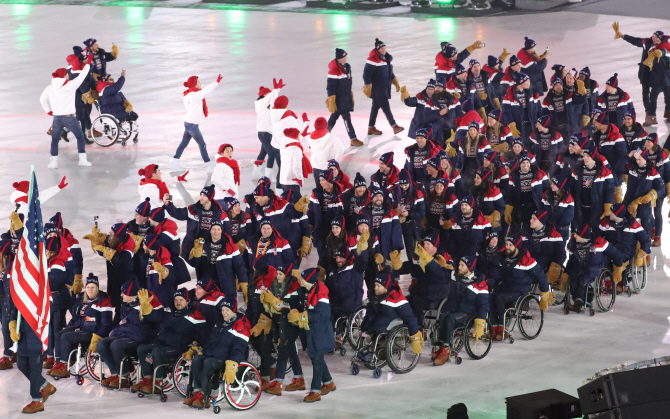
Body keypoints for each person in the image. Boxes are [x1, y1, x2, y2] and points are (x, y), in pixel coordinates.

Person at [182, 295, 250, 409]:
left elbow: (239, 348)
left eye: (227, 310)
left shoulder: (241, 326)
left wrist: (232, 363)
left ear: (233, 310)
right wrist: (201, 349)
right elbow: (211, 341)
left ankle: (205, 395)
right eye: (223, 310)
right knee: (197, 359)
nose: (224, 313)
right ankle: (198, 392)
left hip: (226, 358)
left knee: (208, 362)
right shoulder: (219, 322)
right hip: (213, 354)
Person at [134, 288, 205, 395]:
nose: (178, 302)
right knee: (142, 349)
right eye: (176, 300)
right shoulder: (169, 311)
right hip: (163, 343)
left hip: (180, 347)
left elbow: (203, 333)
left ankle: (158, 382)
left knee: (157, 352)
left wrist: (198, 346)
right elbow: (155, 317)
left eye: (181, 300)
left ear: (187, 300)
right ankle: (148, 379)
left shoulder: (194, 315)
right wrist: (145, 307)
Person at [97, 283, 164, 389]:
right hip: (125, 335)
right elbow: (124, 322)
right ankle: (115, 373)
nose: (121, 295)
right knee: (101, 344)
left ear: (132, 295)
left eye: (124, 293)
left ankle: (124, 376)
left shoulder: (145, 303)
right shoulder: (126, 304)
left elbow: (157, 319)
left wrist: (147, 311)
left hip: (141, 337)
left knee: (116, 345)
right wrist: (114, 333)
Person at [47, 273, 113, 378]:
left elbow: (107, 324)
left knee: (65, 336)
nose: (90, 290)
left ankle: (64, 366)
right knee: (60, 333)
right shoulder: (81, 299)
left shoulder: (103, 302)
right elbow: (75, 317)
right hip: (80, 328)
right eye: (88, 287)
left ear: (97, 288)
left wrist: (98, 336)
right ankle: (59, 362)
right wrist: (69, 327)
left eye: (93, 287)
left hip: (92, 332)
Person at [489, 233, 550, 341]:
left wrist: (545, 294)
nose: (507, 247)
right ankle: (494, 327)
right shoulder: (502, 258)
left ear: (517, 246)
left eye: (510, 245)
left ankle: (503, 328)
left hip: (520, 290)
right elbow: (495, 274)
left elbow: (541, 276)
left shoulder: (527, 261)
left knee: (499, 297)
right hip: (505, 287)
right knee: (489, 296)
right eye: (506, 244)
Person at [288, 268, 336, 402]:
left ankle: (315, 391)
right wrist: (294, 309)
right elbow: (294, 300)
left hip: (319, 332)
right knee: (316, 357)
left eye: (302, 278)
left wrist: (302, 316)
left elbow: (323, 315)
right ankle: (329, 382)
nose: (300, 280)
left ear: (308, 280)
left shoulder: (322, 294)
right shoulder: (304, 289)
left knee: (317, 359)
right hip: (310, 331)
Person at [40, 53, 94, 169]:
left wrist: (49, 111)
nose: (68, 75)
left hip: (56, 119)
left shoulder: (50, 87)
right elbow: (83, 75)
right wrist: (88, 62)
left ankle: (53, 162)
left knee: (55, 140)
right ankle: (82, 160)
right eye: (67, 74)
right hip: (69, 118)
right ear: (63, 76)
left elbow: (42, 99)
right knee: (80, 137)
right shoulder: (70, 85)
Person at [433, 256, 488, 366]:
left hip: (469, 313)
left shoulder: (479, 283)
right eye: (459, 264)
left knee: (450, 319)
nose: (459, 267)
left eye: (462, 265)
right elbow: (437, 271)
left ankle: (446, 350)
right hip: (455, 309)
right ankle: (443, 346)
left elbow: (484, 304)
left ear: (470, 267)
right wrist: (429, 260)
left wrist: (480, 322)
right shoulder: (456, 276)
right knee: (443, 316)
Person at [262, 262, 305, 395]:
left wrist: (274, 301)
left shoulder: (294, 287)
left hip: (292, 324)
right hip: (281, 322)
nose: (278, 276)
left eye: (280, 274)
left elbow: (292, 307)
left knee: (283, 352)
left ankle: (278, 382)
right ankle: (299, 379)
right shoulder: (276, 286)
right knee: (291, 351)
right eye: (277, 274)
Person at [614, 24, 670, 125]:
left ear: (660, 39)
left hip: (661, 75)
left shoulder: (666, 47)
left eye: (655, 37)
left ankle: (667, 112)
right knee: (646, 94)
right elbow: (636, 41)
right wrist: (623, 36)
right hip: (646, 73)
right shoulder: (647, 42)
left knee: (666, 94)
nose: (653, 39)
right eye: (653, 37)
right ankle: (650, 116)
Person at [359, 272, 422, 361]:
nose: (375, 288)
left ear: (386, 288)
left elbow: (410, 318)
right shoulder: (373, 297)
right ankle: (371, 351)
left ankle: (387, 348)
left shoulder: (397, 299)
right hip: (376, 324)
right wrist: (364, 325)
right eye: (375, 285)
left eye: (378, 286)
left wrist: (415, 337)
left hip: (388, 325)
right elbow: (369, 313)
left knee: (377, 332)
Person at [83, 222, 136, 321]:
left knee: (121, 309)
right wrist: (96, 242)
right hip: (114, 279)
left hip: (125, 284)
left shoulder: (129, 247)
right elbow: (101, 249)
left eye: (112, 233)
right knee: (115, 304)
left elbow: (120, 260)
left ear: (118, 236)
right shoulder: (114, 239)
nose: (109, 234)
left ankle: (118, 326)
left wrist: (108, 251)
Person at [171, 74, 222, 173]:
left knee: (184, 143)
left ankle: (175, 162)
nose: (200, 83)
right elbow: (206, 91)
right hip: (192, 126)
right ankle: (208, 165)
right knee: (202, 144)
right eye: (198, 82)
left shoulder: (190, 94)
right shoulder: (195, 95)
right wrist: (216, 82)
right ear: (194, 84)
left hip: (189, 123)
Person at [164, 185, 229, 261]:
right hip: (192, 245)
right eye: (201, 195)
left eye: (204, 195)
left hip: (210, 248)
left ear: (210, 197)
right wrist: (168, 204)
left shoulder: (220, 214)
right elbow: (178, 213)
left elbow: (227, 233)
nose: (201, 197)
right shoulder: (192, 210)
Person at [405, 233, 454, 326]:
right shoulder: (421, 256)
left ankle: (418, 326)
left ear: (435, 246)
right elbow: (409, 267)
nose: (425, 246)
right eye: (425, 243)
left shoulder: (442, 258)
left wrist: (427, 259)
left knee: (415, 300)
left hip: (437, 295)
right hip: (424, 292)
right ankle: (409, 327)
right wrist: (396, 264)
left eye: (428, 244)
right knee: (404, 302)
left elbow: (441, 274)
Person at [564, 224, 615, 311]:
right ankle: (577, 299)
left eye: (577, 234)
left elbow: (614, 252)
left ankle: (579, 302)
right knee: (574, 279)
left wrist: (618, 265)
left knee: (583, 280)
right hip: (579, 268)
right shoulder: (573, 245)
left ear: (583, 236)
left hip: (594, 268)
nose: (574, 235)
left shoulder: (599, 242)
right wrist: (566, 272)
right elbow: (571, 261)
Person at [599, 203, 651, 283]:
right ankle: (607, 280)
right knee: (601, 258)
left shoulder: (633, 225)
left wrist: (642, 254)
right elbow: (597, 236)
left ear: (617, 215)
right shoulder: (605, 223)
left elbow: (646, 240)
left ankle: (620, 280)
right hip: (610, 249)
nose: (609, 213)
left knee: (618, 258)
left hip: (626, 251)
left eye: (611, 212)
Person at [362, 38, 404, 136]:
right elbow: (366, 74)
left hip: (384, 87)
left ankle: (371, 127)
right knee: (386, 107)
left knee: (375, 107)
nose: (384, 50)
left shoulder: (387, 59)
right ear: (377, 49)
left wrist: (395, 81)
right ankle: (394, 126)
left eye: (384, 48)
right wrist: (367, 86)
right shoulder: (372, 60)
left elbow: (390, 72)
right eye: (381, 48)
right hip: (377, 88)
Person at [570, 143, 615, 229]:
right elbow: (571, 188)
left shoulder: (605, 172)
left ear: (594, 157)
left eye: (588, 156)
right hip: (581, 209)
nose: (585, 158)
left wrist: (608, 206)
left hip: (597, 209)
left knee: (595, 233)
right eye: (584, 155)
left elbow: (610, 190)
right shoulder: (577, 171)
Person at [623, 149, 663, 239]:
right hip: (629, 203)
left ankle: (645, 251)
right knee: (627, 232)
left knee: (646, 233)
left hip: (645, 206)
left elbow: (661, 188)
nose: (637, 162)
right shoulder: (631, 168)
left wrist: (651, 195)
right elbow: (617, 167)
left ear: (646, 159)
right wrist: (628, 156)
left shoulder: (653, 172)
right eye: (636, 159)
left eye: (640, 159)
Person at [388, 170, 426, 264]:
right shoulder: (393, 192)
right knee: (395, 251)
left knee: (411, 251)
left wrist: (408, 214)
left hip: (410, 225)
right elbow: (387, 208)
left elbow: (421, 212)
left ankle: (415, 274)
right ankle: (395, 275)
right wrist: (394, 211)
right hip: (397, 226)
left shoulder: (417, 192)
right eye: (401, 185)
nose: (404, 187)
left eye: (406, 185)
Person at [327, 48, 361, 146]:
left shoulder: (347, 67)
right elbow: (330, 86)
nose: (346, 58)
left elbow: (349, 82)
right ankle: (353, 138)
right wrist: (331, 100)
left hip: (345, 97)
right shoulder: (334, 70)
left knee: (333, 118)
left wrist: (350, 94)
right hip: (338, 99)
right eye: (345, 56)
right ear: (341, 58)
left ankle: (323, 135)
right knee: (346, 117)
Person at [308, 169, 344, 259]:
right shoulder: (315, 194)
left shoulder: (340, 195)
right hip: (320, 232)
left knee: (334, 259)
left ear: (329, 180)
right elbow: (310, 214)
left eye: (323, 180)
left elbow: (344, 215)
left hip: (335, 234)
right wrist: (309, 231)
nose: (320, 182)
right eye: (320, 180)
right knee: (322, 259)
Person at [506, 156, 548, 232]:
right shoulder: (514, 176)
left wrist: (544, 203)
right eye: (523, 163)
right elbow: (510, 193)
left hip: (535, 206)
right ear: (520, 164)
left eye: (527, 162)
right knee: (521, 228)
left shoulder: (539, 173)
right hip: (521, 206)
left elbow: (547, 189)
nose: (525, 165)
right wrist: (508, 208)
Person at [641, 134, 670, 246]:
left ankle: (658, 237)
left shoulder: (662, 155)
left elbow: (667, 172)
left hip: (658, 188)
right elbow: (633, 163)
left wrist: (668, 188)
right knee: (646, 212)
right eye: (646, 142)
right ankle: (652, 228)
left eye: (649, 142)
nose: (646, 144)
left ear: (655, 143)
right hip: (645, 187)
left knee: (657, 212)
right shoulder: (642, 152)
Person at [524, 210, 566, 286]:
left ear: (541, 221)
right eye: (531, 218)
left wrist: (556, 267)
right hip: (527, 264)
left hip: (546, 266)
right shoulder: (524, 234)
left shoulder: (555, 235)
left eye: (534, 219)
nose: (530, 220)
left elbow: (561, 254)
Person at [254, 79, 283, 179]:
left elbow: (274, 99)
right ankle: (268, 177)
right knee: (272, 154)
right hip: (264, 133)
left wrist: (277, 90)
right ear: (264, 95)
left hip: (267, 133)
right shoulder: (260, 104)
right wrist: (275, 90)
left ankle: (256, 172)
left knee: (263, 152)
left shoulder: (266, 105)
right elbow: (270, 97)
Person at [448, 196, 492, 262]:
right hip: (459, 257)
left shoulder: (483, 221)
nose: (463, 207)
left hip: (477, 257)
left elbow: (491, 237)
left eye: (466, 205)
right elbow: (451, 239)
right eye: (462, 205)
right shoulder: (454, 221)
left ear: (472, 207)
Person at [502, 72, 542, 140]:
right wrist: (511, 125)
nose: (529, 83)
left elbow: (538, 109)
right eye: (527, 81)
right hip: (518, 127)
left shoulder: (533, 94)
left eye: (529, 81)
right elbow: (506, 113)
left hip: (532, 126)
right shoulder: (508, 96)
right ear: (521, 82)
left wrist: (540, 122)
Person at [470, 168, 505, 234]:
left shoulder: (494, 191)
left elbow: (502, 208)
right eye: (475, 177)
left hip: (492, 226)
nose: (475, 179)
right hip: (477, 224)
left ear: (483, 180)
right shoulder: (472, 190)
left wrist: (492, 218)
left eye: (477, 178)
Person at [539, 175, 574, 241]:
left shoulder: (568, 198)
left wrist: (561, 225)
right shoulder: (546, 195)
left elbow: (569, 214)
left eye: (553, 184)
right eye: (551, 184)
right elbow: (542, 209)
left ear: (560, 185)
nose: (551, 186)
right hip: (548, 228)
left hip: (562, 229)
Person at [279, 128, 312, 196]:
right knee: (297, 205)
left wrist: (303, 134)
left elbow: (294, 139)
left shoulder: (284, 146)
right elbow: (296, 166)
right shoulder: (296, 149)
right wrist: (299, 178)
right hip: (292, 181)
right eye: (299, 134)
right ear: (296, 136)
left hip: (284, 180)